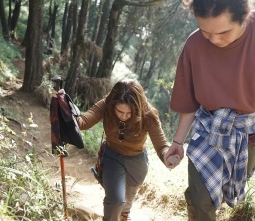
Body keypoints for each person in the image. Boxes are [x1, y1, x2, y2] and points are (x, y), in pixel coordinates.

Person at [164, 0, 255, 220]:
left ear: (246, 16)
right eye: (205, 31)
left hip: (251, 130)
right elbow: (188, 102)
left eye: (223, 32)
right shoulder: (194, 45)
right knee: (199, 199)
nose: (213, 40)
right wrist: (177, 143)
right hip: (209, 129)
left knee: (225, 191)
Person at [55, 78, 179, 221]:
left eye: (129, 113)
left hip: (137, 163)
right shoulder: (106, 105)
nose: (124, 116)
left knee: (126, 202)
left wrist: (167, 156)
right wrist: (63, 104)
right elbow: (82, 122)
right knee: (115, 200)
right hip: (112, 157)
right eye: (120, 111)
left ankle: (124, 215)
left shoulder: (148, 114)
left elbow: (161, 145)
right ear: (113, 104)